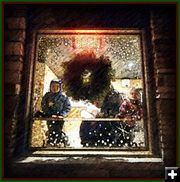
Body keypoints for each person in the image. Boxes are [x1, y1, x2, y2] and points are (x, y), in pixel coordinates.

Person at [41, 79, 71, 147]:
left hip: (59, 118)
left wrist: (62, 114)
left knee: (59, 129)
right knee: (51, 128)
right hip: (50, 117)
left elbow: (67, 107)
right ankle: (50, 141)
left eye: (57, 86)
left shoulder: (63, 97)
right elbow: (44, 105)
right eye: (53, 86)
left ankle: (60, 141)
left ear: (60, 87)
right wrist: (49, 114)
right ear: (50, 87)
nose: (55, 88)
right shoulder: (47, 96)